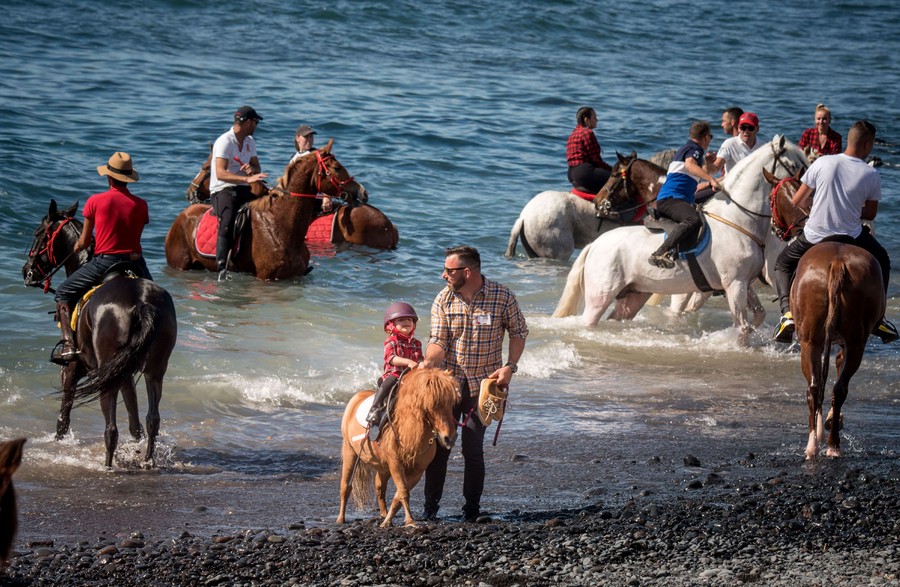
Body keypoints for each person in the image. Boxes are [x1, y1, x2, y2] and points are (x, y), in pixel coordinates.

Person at [422, 246, 528, 522]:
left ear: (467, 272)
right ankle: (430, 510)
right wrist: (428, 362)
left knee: (472, 449)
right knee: (440, 449)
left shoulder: (502, 296)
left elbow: (519, 332)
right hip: (448, 387)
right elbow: (438, 341)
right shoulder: (443, 299)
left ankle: (471, 511)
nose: (443, 274)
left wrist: (510, 366)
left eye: (449, 270)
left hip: (484, 388)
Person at [772, 120, 897, 344]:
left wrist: (818, 204)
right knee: (883, 260)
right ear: (867, 145)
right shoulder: (871, 173)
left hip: (814, 235)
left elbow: (798, 200)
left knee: (782, 263)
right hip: (851, 236)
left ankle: (787, 316)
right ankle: (879, 319)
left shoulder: (822, 162)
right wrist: (850, 208)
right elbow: (870, 214)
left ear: (848, 140)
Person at [51, 152, 152, 364]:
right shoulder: (142, 204)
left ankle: (68, 345)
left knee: (63, 292)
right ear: (128, 178)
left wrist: (78, 246)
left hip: (106, 262)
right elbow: (133, 235)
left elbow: (84, 241)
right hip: (136, 262)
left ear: (108, 177)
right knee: (154, 300)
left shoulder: (95, 201)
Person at [647, 121, 721, 269]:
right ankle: (660, 252)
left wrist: (706, 163)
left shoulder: (689, 149)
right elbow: (690, 165)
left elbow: (703, 171)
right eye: (711, 137)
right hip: (671, 200)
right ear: (706, 137)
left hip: (673, 199)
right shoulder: (695, 149)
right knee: (692, 219)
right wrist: (712, 180)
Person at [209, 105, 268, 280]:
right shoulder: (224, 141)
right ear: (248, 122)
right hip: (222, 189)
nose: (256, 126)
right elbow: (220, 173)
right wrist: (247, 180)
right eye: (256, 122)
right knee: (228, 220)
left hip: (243, 188)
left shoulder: (250, 142)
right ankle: (221, 267)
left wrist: (252, 169)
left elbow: (257, 167)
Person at [365, 302, 424, 441]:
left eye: (409, 320)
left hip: (411, 377)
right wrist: (408, 362)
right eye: (401, 320)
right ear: (391, 325)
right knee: (389, 381)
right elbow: (391, 358)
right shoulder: (391, 341)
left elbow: (420, 358)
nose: (406, 322)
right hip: (395, 374)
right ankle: (375, 409)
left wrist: (422, 363)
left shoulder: (417, 343)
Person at [286, 124, 332, 215]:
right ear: (298, 138)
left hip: (313, 199)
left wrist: (326, 197)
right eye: (306, 136)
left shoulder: (317, 155)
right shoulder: (293, 158)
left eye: (311, 136)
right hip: (296, 199)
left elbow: (327, 178)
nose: (310, 139)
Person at [566, 106, 613, 194]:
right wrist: (612, 170)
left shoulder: (573, 134)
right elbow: (596, 159)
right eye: (594, 117)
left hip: (571, 173)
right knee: (617, 179)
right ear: (586, 120)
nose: (597, 120)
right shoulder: (587, 133)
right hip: (584, 172)